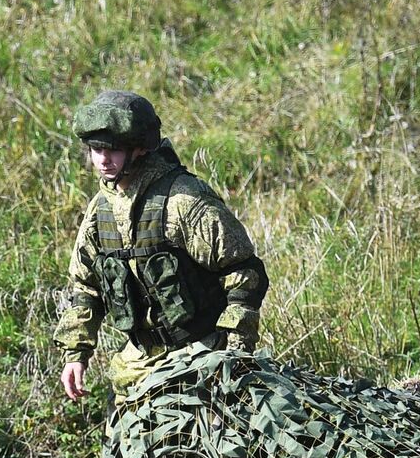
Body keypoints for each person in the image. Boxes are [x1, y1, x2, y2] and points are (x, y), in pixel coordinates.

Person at [52, 90, 268, 401]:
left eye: (113, 149)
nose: (102, 159)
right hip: (135, 365)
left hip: (202, 358)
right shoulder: (100, 212)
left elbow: (242, 274)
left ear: (139, 148)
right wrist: (76, 355)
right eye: (96, 149)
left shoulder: (184, 201)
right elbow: (86, 289)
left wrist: (234, 354)